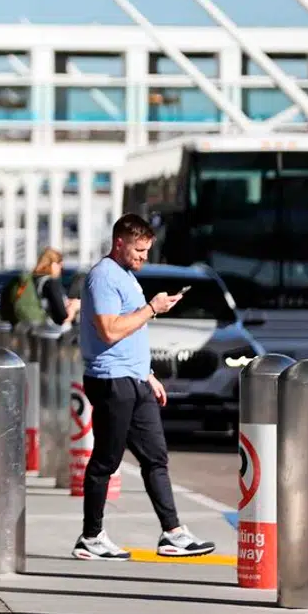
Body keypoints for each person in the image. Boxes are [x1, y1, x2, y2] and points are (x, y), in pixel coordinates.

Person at [74, 214, 215, 560]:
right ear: (119, 243)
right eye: (138, 250)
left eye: (147, 251)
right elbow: (110, 331)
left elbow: (130, 333)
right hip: (111, 380)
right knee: (106, 460)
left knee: (156, 458)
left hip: (135, 379)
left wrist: (148, 374)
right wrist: (152, 308)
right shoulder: (103, 277)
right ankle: (91, 537)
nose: (143, 257)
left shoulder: (126, 276)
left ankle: (173, 533)